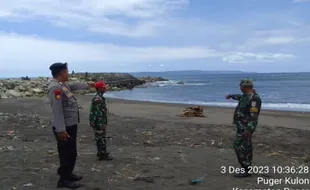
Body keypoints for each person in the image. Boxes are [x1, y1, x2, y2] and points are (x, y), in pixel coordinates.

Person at [47, 62, 95, 189]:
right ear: (62, 72)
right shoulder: (55, 88)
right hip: (64, 127)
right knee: (67, 153)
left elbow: (74, 86)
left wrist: (88, 84)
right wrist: (61, 130)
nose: (68, 73)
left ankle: (67, 173)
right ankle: (64, 180)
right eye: (67, 71)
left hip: (70, 124)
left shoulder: (63, 85)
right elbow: (57, 111)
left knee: (70, 152)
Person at [225, 79, 262, 177]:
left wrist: (249, 130)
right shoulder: (245, 96)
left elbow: (254, 116)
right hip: (241, 127)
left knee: (239, 146)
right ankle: (247, 167)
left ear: (245, 87)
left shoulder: (254, 99)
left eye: (240, 86)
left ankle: (246, 168)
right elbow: (239, 97)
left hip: (245, 128)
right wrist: (231, 96)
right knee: (246, 147)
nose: (240, 88)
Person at [89, 81, 113, 161]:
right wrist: (101, 124)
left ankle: (101, 152)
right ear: (100, 89)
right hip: (99, 123)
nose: (105, 88)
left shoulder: (99, 97)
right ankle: (102, 155)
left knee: (101, 138)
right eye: (104, 87)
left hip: (99, 122)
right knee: (101, 138)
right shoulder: (98, 99)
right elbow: (97, 113)